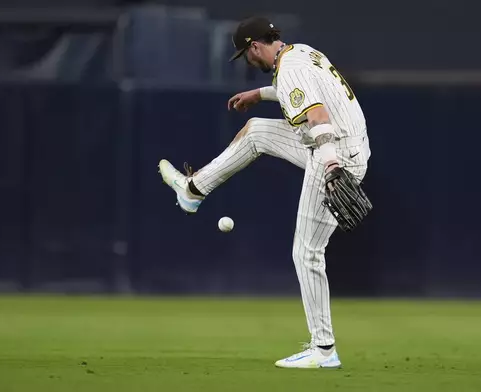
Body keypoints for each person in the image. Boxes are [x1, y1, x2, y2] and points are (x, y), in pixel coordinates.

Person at [158, 16, 371, 369]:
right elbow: (310, 93)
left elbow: (317, 116)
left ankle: (323, 349)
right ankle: (193, 190)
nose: (248, 61)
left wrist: (332, 166)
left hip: (332, 150)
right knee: (257, 131)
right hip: (349, 144)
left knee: (307, 253)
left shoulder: (288, 71)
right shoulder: (302, 53)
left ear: (255, 46)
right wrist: (259, 94)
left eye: (246, 54)